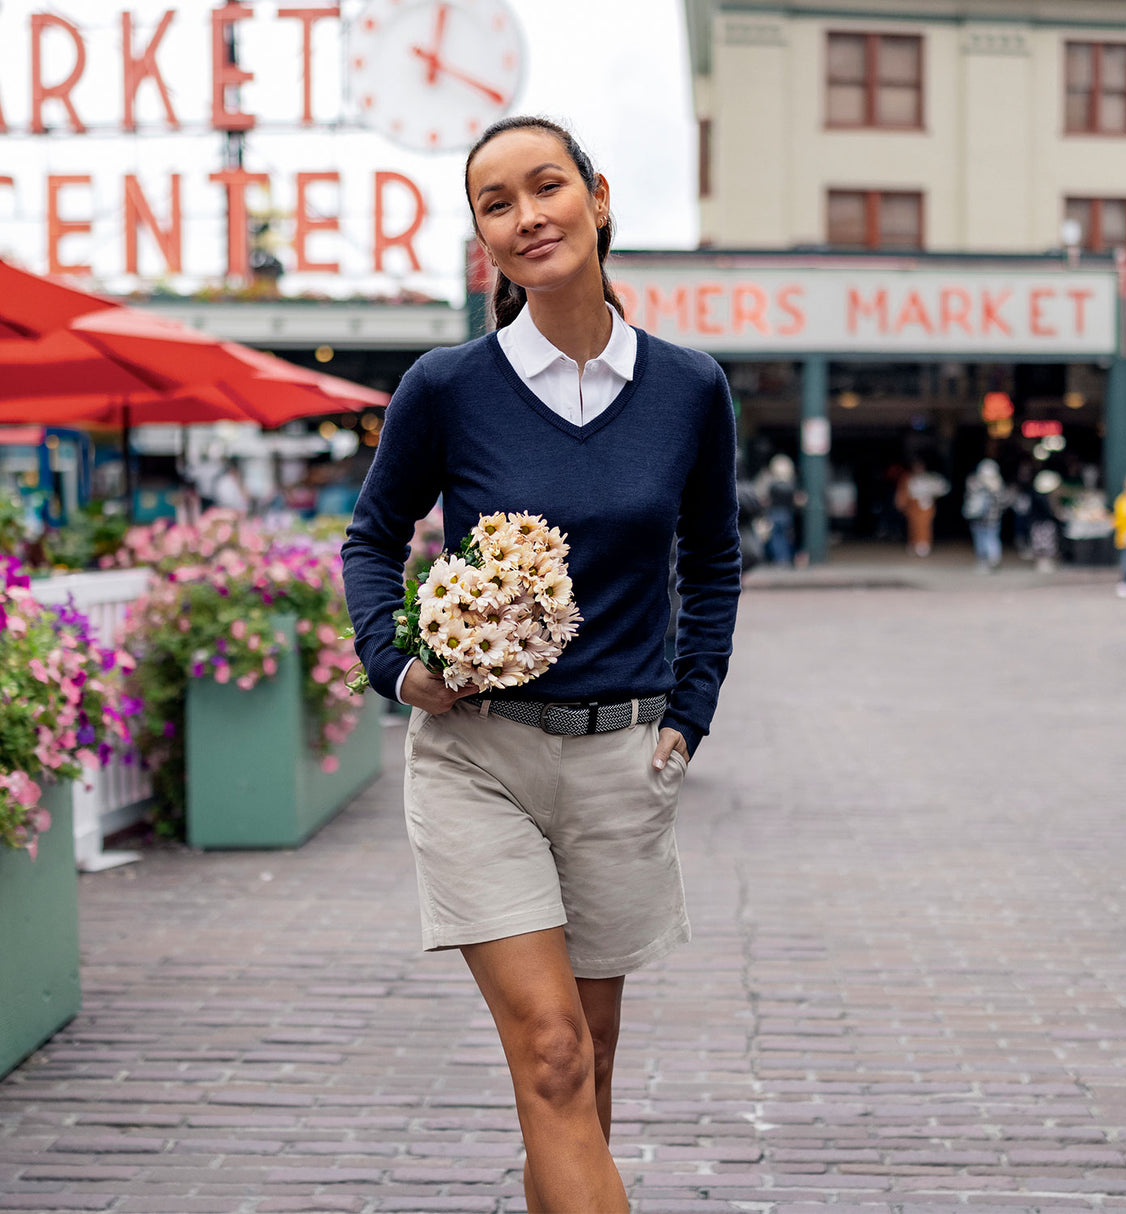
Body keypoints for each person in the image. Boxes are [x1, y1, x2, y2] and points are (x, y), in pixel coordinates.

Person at [341, 116, 742, 1213]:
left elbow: (710, 557)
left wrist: (687, 711)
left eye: (545, 186)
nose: (527, 216)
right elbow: (373, 539)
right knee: (553, 1052)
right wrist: (397, 661)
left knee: (583, 1066)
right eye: (495, 202)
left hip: (620, 761)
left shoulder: (688, 387)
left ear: (597, 199)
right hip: (479, 760)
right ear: (483, 236)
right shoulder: (445, 386)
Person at [894, 459, 949, 557]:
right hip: (913, 504)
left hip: (925, 504)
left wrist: (931, 495)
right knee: (913, 525)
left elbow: (943, 488)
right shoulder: (910, 478)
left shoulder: (931, 478)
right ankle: (914, 543)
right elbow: (904, 492)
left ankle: (923, 545)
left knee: (924, 525)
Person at [963, 458, 1009, 572]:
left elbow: (1003, 502)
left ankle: (990, 561)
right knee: (985, 539)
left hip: (990, 519)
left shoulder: (994, 485)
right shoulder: (975, 483)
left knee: (988, 538)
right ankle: (987, 561)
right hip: (981, 518)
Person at [762, 453, 802, 565]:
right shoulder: (790, 486)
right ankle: (785, 557)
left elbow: (766, 500)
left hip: (775, 513)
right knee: (786, 537)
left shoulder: (772, 486)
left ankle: (780, 558)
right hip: (786, 514)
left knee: (776, 537)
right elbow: (796, 501)